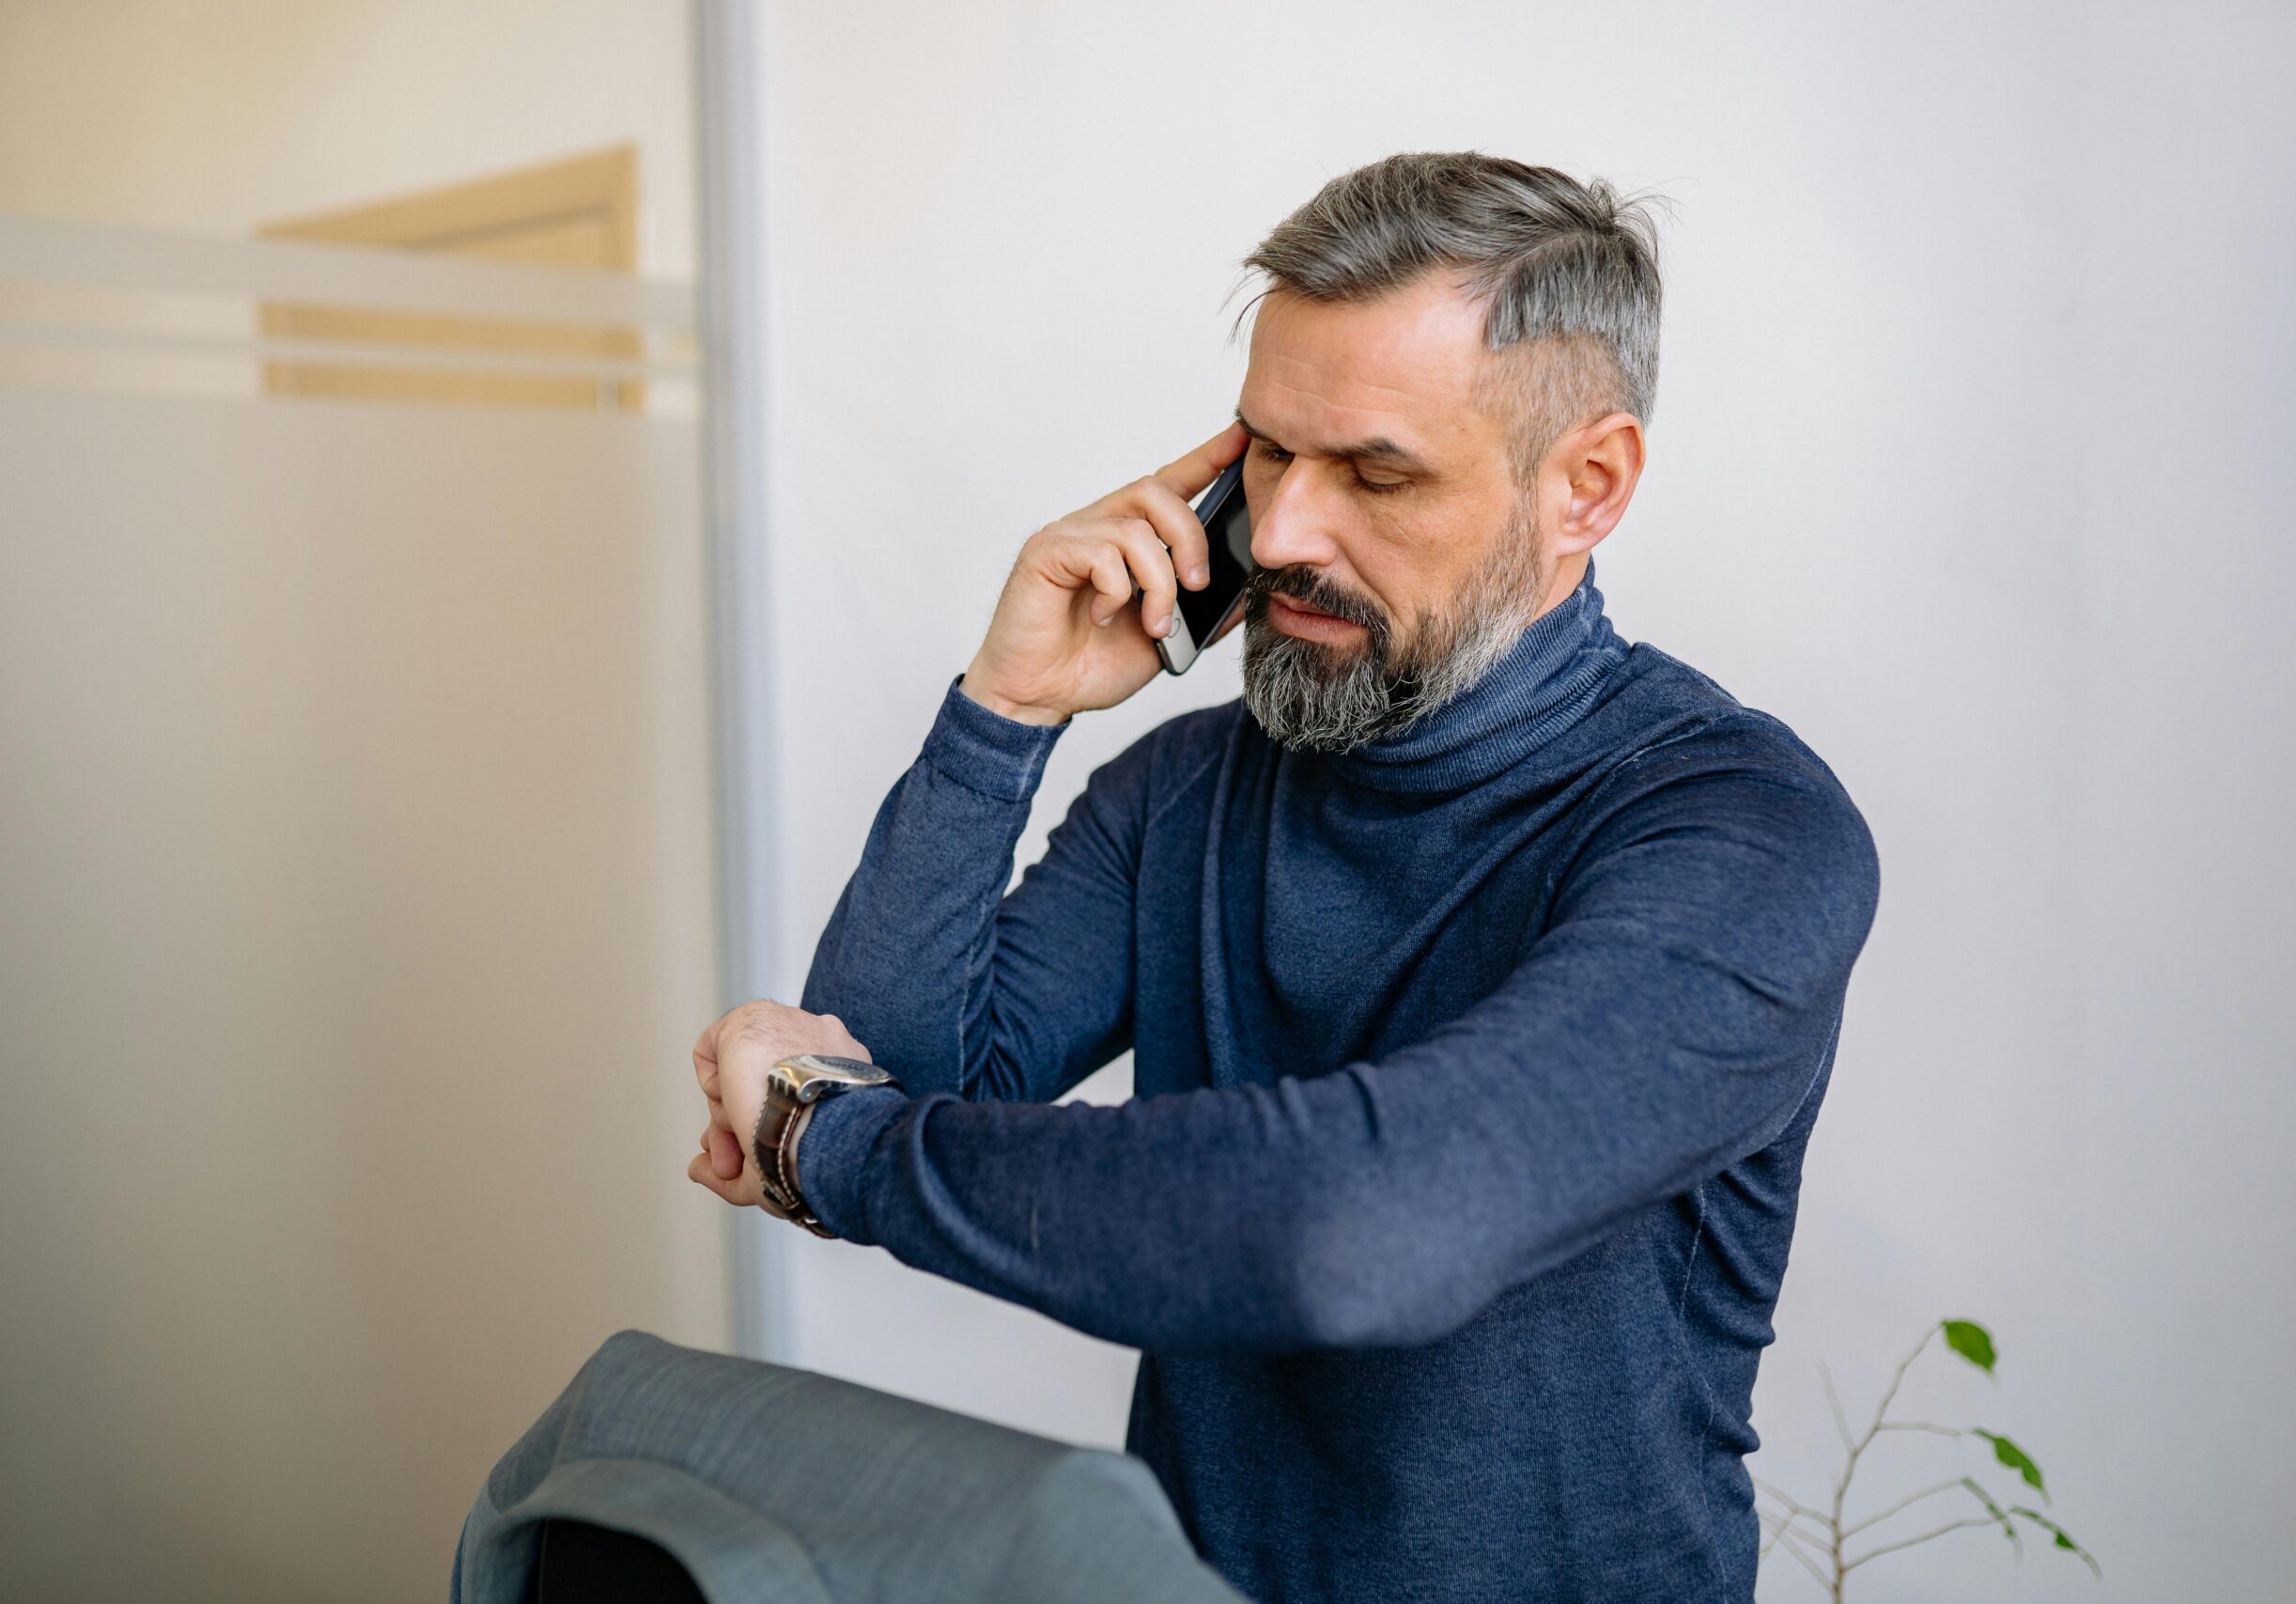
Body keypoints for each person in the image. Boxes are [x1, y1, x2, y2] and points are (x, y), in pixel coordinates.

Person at [684, 150, 1881, 1604]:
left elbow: (1363, 1232)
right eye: (1266, 452)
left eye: (1377, 473)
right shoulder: (1187, 786)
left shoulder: (1739, 831)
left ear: (1587, 485)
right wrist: (1007, 712)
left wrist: (835, 1152)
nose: (1289, 536)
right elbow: (886, 1058)